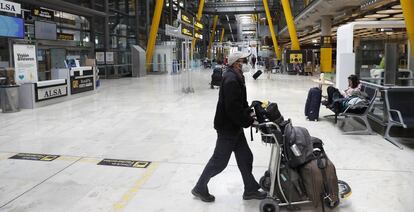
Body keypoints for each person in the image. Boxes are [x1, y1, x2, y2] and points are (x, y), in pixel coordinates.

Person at [192, 52, 266, 202]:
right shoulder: (231, 79)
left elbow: (239, 103)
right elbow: (232, 109)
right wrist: (248, 121)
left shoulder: (237, 76)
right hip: (227, 128)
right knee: (219, 162)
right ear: (236, 63)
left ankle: (250, 189)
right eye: (243, 60)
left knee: (245, 157)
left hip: (234, 127)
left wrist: (249, 113)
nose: (245, 63)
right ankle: (200, 187)